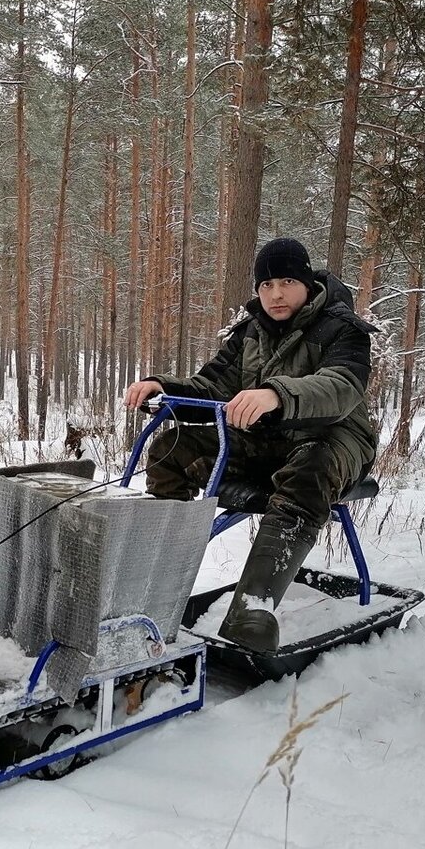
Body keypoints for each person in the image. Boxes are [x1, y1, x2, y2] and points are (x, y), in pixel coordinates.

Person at [123, 237, 377, 652]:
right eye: (266, 285)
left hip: (333, 440)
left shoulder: (342, 329)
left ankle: (252, 610)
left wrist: (275, 394)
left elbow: (341, 388)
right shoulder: (250, 333)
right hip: (263, 443)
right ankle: (159, 580)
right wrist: (162, 386)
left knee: (309, 469)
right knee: (174, 448)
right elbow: (213, 386)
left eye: (287, 281)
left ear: (308, 283)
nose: (275, 293)